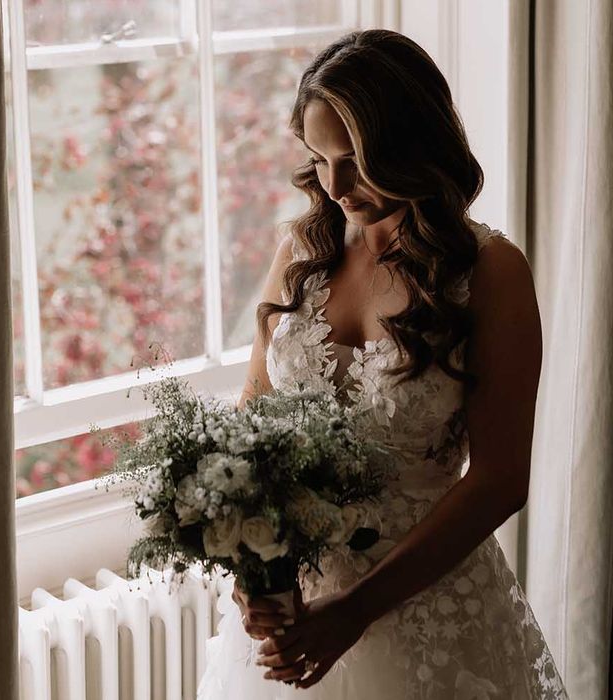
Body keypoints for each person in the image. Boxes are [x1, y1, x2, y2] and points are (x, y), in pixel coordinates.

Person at [196, 29, 568, 699]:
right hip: (299, 612)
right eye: (319, 157)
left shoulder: (489, 272)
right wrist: (253, 573)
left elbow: (501, 479)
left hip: (425, 611)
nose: (335, 185)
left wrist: (358, 610)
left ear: (413, 146)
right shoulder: (304, 251)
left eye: (357, 160)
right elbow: (248, 432)